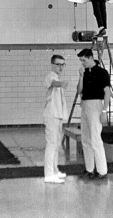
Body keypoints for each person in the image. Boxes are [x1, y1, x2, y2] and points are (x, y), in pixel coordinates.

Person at [77, 48, 110, 180]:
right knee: (85, 139)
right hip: (85, 104)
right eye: (81, 61)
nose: (82, 63)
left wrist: (104, 111)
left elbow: (107, 92)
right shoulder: (84, 72)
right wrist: (80, 76)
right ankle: (89, 168)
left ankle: (102, 171)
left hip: (96, 105)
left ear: (91, 57)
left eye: (83, 60)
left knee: (96, 139)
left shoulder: (102, 72)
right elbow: (79, 90)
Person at [43, 55, 69, 184]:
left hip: (57, 116)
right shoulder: (50, 76)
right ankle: (48, 174)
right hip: (51, 115)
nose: (61, 67)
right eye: (58, 64)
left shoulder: (57, 77)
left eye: (62, 64)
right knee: (52, 144)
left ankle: (54, 170)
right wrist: (61, 84)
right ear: (52, 64)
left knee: (56, 145)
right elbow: (53, 83)